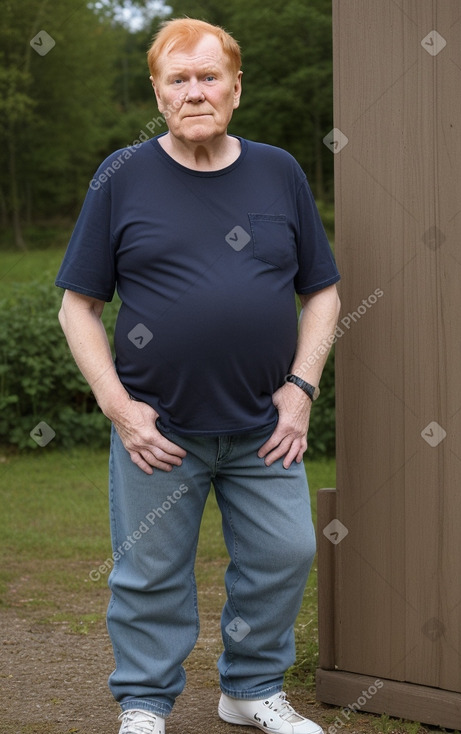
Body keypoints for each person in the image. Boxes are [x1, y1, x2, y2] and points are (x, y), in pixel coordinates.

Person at [55, 17, 340, 734]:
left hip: (263, 426)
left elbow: (324, 291)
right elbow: (78, 306)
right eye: (177, 80)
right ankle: (146, 705)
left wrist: (300, 391)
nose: (194, 92)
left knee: (286, 551)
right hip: (158, 426)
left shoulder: (278, 171)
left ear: (235, 88)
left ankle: (248, 691)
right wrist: (121, 408)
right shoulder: (121, 176)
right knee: (148, 575)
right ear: (157, 90)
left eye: (208, 76)